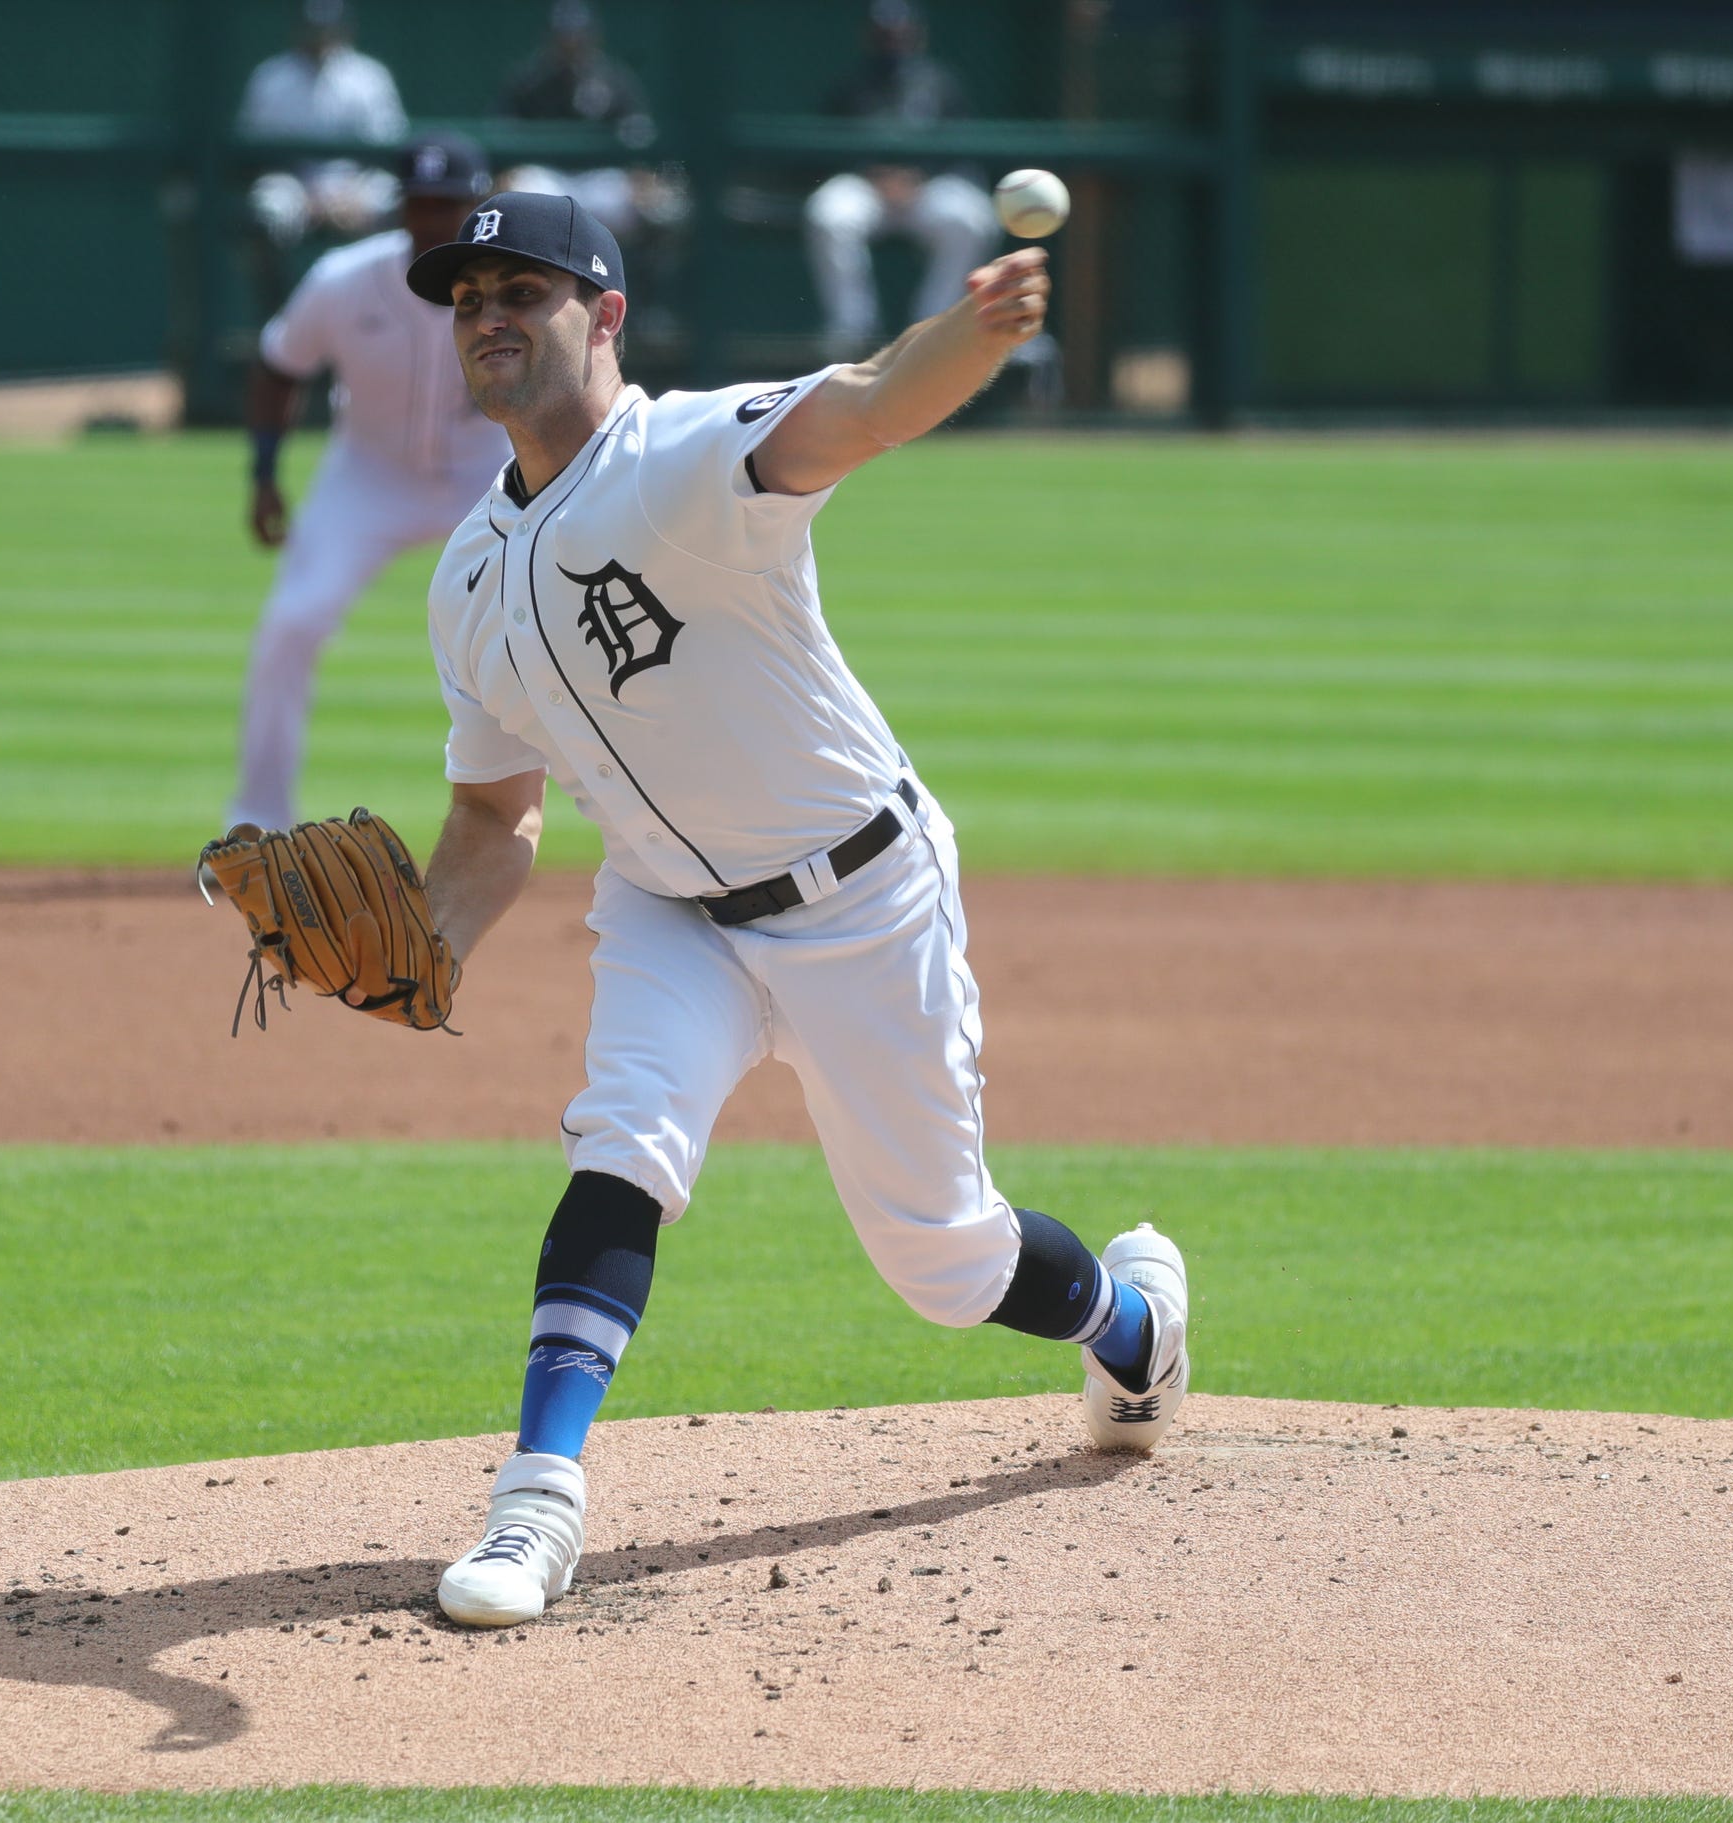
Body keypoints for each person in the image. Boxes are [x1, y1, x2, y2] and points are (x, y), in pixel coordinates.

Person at [396, 191, 1191, 1629]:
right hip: (667, 909)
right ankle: (536, 1506)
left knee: (946, 1260)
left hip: (861, 896)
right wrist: (426, 942)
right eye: (467, 297)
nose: (490, 314)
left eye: (525, 287)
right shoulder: (464, 580)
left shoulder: (688, 453)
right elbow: (491, 817)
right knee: (623, 1138)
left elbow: (873, 405)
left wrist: (978, 328)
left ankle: (1133, 1323)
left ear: (607, 314)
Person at [225, 134, 511, 834]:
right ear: (401, 208)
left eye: (449, 203)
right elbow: (278, 367)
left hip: (487, 475)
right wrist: (264, 477)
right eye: (421, 203)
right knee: (292, 622)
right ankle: (256, 820)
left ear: (478, 206)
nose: (435, 218)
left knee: (559, 625)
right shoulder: (343, 278)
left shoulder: (516, 287)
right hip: (369, 474)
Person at [802, 0, 1000, 360]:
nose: (892, 41)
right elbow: (827, 148)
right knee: (827, 213)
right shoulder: (850, 85)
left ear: (916, 35)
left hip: (927, 190)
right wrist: (872, 173)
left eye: (899, 33)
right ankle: (853, 331)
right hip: (867, 190)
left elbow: (960, 146)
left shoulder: (940, 82)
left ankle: (932, 329)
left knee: (972, 218)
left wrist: (920, 174)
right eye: (884, 34)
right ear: (869, 36)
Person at [497, 0, 682, 248]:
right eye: (565, 34)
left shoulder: (615, 79)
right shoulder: (528, 81)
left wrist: (643, 179)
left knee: (660, 206)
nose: (571, 41)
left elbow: (639, 139)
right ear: (551, 37)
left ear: (592, 37)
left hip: (601, 180)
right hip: (547, 178)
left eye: (577, 34)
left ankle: (641, 280)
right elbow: (504, 141)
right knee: (515, 192)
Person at [235, 0, 408, 256]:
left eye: (328, 29)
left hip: (358, 187)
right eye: (314, 29)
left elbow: (389, 148)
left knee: (393, 199)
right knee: (267, 209)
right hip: (294, 187)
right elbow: (253, 155)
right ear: (298, 30)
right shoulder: (271, 78)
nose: (321, 37)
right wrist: (310, 199)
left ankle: (388, 287)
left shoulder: (369, 77)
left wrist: (351, 195)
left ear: (343, 29)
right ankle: (275, 297)